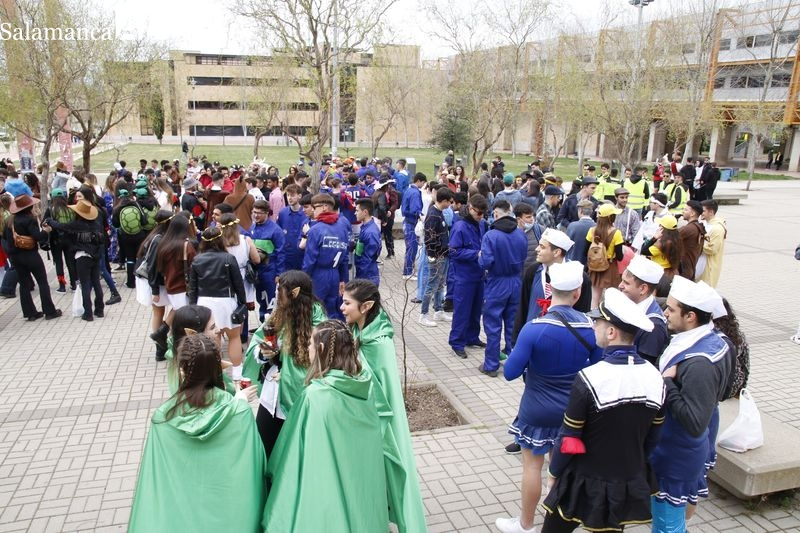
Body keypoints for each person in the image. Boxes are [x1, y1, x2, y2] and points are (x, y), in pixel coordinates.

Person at [542, 288, 666, 533]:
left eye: (598, 321)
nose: (594, 325)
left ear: (611, 332)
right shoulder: (656, 378)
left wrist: (554, 472)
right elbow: (653, 438)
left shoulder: (590, 377)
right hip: (625, 477)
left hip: (582, 476)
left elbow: (569, 438)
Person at [496, 261, 601, 533]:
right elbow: (598, 368)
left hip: (536, 408)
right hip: (572, 412)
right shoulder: (592, 328)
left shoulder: (534, 327)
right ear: (577, 293)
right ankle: (555, 525)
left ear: (549, 288)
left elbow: (509, 372)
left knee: (532, 467)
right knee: (561, 469)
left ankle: (525, 524)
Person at [128, 334, 266, 533]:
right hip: (228, 515)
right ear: (218, 366)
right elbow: (253, 466)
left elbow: (157, 478)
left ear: (183, 370)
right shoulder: (239, 411)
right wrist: (239, 401)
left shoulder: (164, 417)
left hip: (181, 516)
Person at [263, 320, 389, 533]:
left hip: (323, 485)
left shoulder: (315, 396)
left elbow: (291, 453)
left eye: (310, 345)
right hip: (359, 483)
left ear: (320, 349)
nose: (308, 349)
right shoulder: (364, 385)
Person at [340, 280, 428, 533]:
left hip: (379, 421)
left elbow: (382, 392)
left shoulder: (378, 344)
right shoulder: (359, 331)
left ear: (366, 306)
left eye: (347, 303)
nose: (342, 307)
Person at [650, 276, 731, 533]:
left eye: (671, 309)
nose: (665, 312)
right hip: (678, 451)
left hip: (676, 454)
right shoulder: (716, 340)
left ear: (691, 317)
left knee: (667, 525)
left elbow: (695, 423)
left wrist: (668, 384)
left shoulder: (699, 363)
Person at [244, 270, 326, 458]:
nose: (276, 297)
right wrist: (265, 354)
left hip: (297, 397)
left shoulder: (318, 324)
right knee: (263, 449)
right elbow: (258, 344)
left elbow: (317, 363)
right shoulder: (279, 314)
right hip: (271, 396)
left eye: (280, 292)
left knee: (290, 454)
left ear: (294, 293)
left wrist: (288, 372)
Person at [187, 226, 247, 381]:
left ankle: (216, 372)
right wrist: (243, 303)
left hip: (204, 302)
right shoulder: (228, 258)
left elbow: (192, 287)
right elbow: (238, 284)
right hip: (226, 301)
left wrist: (193, 307)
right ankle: (237, 372)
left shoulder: (197, 260)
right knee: (234, 337)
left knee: (213, 338)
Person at [479, 199, 527, 376]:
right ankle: (512, 360)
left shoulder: (491, 236)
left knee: (493, 324)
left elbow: (485, 262)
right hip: (516, 282)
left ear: (496, 214)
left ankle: (491, 364)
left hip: (497, 283)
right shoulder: (520, 234)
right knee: (512, 325)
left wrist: (479, 257)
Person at [1, 194, 61, 321]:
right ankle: (49, 311)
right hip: (31, 255)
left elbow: (6, 239)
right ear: (28, 207)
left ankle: (30, 312)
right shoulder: (29, 220)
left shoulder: (10, 221)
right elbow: (38, 237)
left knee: (24, 284)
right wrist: (46, 231)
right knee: (43, 282)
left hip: (16, 257)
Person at [44, 200, 106, 322]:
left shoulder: (77, 224)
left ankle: (88, 313)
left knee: (86, 285)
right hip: (95, 256)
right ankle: (99, 309)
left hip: (82, 257)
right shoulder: (96, 224)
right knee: (96, 283)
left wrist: (50, 221)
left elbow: (61, 226)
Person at [447, 194, 488, 358]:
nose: (481, 217)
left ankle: (472, 337)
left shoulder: (482, 224)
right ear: (470, 209)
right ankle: (457, 342)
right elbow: (454, 251)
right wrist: (476, 254)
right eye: (478, 213)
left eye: (483, 213)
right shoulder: (460, 227)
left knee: (476, 309)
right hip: (464, 276)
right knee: (462, 310)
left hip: (478, 275)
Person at [133, 210, 176, 361]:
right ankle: (161, 338)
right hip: (154, 281)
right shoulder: (158, 240)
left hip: (154, 281)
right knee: (175, 306)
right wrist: (155, 290)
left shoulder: (154, 236)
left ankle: (160, 345)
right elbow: (151, 266)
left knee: (159, 311)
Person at [302, 193, 350, 319]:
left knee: (315, 310)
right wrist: (343, 279)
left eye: (315, 207)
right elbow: (345, 258)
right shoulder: (342, 228)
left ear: (324, 207)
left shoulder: (315, 230)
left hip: (318, 275)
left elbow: (310, 260)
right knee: (333, 309)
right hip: (335, 274)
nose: (313, 210)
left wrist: (303, 279)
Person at [618, 255, 670, 367]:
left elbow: (643, 366)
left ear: (643, 289)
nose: (620, 286)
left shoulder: (654, 325)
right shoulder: (627, 302)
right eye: (622, 281)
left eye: (626, 283)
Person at [418, 186, 453, 327]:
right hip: (437, 257)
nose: (450, 204)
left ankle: (438, 310)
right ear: (443, 201)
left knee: (440, 284)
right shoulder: (433, 215)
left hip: (443, 255)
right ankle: (423, 314)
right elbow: (429, 238)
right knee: (432, 285)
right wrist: (432, 257)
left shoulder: (439, 212)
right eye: (449, 201)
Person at [250, 199, 285, 321]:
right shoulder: (252, 227)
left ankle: (272, 325)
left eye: (259, 213)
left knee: (271, 301)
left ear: (267, 213)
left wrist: (278, 274)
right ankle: (262, 323)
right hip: (256, 272)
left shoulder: (275, 230)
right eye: (254, 212)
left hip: (270, 271)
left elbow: (281, 253)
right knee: (260, 299)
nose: (255, 215)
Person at [585, 203, 624, 308]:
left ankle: (592, 319)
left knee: (594, 298)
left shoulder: (592, 231)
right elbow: (620, 257)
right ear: (611, 217)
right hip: (610, 267)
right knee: (611, 298)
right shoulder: (617, 233)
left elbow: (585, 251)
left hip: (595, 266)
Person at [43, 188, 77, 293]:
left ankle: (62, 286)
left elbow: (43, 223)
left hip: (56, 240)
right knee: (71, 262)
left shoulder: (51, 209)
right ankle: (74, 284)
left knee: (58, 263)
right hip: (70, 240)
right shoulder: (70, 209)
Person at [276, 183, 307, 271]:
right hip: (287, 255)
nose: (289, 198)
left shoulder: (306, 214)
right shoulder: (283, 213)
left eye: (292, 195)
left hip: (302, 255)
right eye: (288, 195)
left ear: (299, 196)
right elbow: (278, 233)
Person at [401, 172, 426, 278]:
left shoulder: (409, 190)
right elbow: (415, 209)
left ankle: (408, 269)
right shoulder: (415, 193)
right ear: (419, 181)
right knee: (412, 248)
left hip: (407, 222)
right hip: (412, 223)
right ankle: (408, 271)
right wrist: (421, 215)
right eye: (423, 183)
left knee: (409, 248)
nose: (423, 185)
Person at [353, 198, 382, 286]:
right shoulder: (365, 227)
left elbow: (368, 258)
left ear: (365, 212)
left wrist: (360, 279)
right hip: (364, 273)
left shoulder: (370, 232)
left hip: (367, 276)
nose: (355, 213)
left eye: (357, 211)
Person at [698, 199, 726, 287]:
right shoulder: (705, 224)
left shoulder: (717, 229)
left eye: (703, 211)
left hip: (709, 265)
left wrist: (696, 245)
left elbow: (712, 249)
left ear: (711, 212)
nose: (700, 213)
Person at [679, 200, 706, 281]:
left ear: (692, 214)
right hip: (689, 268)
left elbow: (671, 238)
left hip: (683, 270)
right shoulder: (697, 226)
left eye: (686, 210)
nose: (683, 211)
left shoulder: (689, 229)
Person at [565, 199, 595, 266]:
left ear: (580, 211)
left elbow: (566, 246)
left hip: (573, 264)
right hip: (591, 265)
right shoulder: (596, 227)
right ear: (591, 212)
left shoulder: (572, 226)